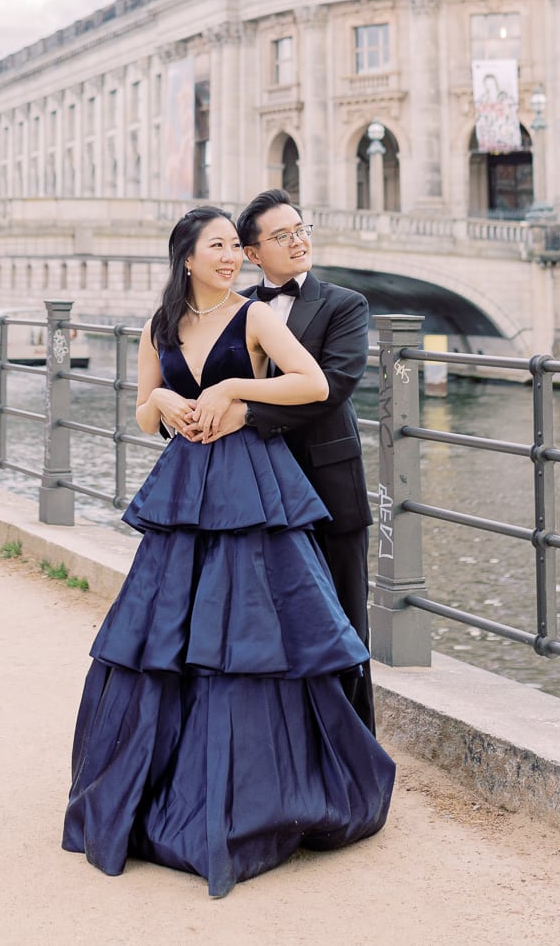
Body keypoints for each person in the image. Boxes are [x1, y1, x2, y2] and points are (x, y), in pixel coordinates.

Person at [62, 205, 394, 898]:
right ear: (186, 256)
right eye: (215, 246)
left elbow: (315, 383)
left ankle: (264, 791)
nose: (227, 257)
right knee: (172, 630)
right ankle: (167, 784)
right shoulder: (159, 324)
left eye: (230, 247)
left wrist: (234, 387)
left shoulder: (253, 316)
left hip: (248, 479)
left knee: (249, 627)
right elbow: (143, 408)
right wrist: (168, 404)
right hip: (188, 482)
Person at [220, 190, 377, 734]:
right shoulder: (235, 308)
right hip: (255, 489)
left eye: (301, 228)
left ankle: (355, 763)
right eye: (282, 235)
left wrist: (248, 414)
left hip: (328, 487)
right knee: (268, 627)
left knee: (344, 626)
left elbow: (330, 390)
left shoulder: (345, 304)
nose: (299, 239)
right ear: (252, 253)